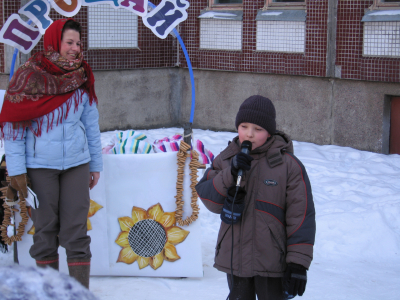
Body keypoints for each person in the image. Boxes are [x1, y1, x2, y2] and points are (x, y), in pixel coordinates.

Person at [0, 19, 102, 289]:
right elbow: (12, 128)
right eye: (69, 42)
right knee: (45, 232)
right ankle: (52, 293)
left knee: (77, 233)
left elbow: (91, 125)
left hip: (77, 165)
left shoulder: (82, 77)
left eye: (78, 43)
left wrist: (95, 164)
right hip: (39, 167)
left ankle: (79, 293)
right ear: (54, 42)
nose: (74, 48)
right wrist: (18, 172)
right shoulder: (28, 77)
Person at [195, 95, 316, 300]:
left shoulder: (287, 166)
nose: (249, 134)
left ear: (270, 132)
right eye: (244, 126)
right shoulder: (226, 159)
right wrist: (230, 174)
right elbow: (210, 200)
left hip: (273, 261)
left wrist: (298, 263)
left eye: (258, 129)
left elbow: (301, 216)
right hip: (236, 257)